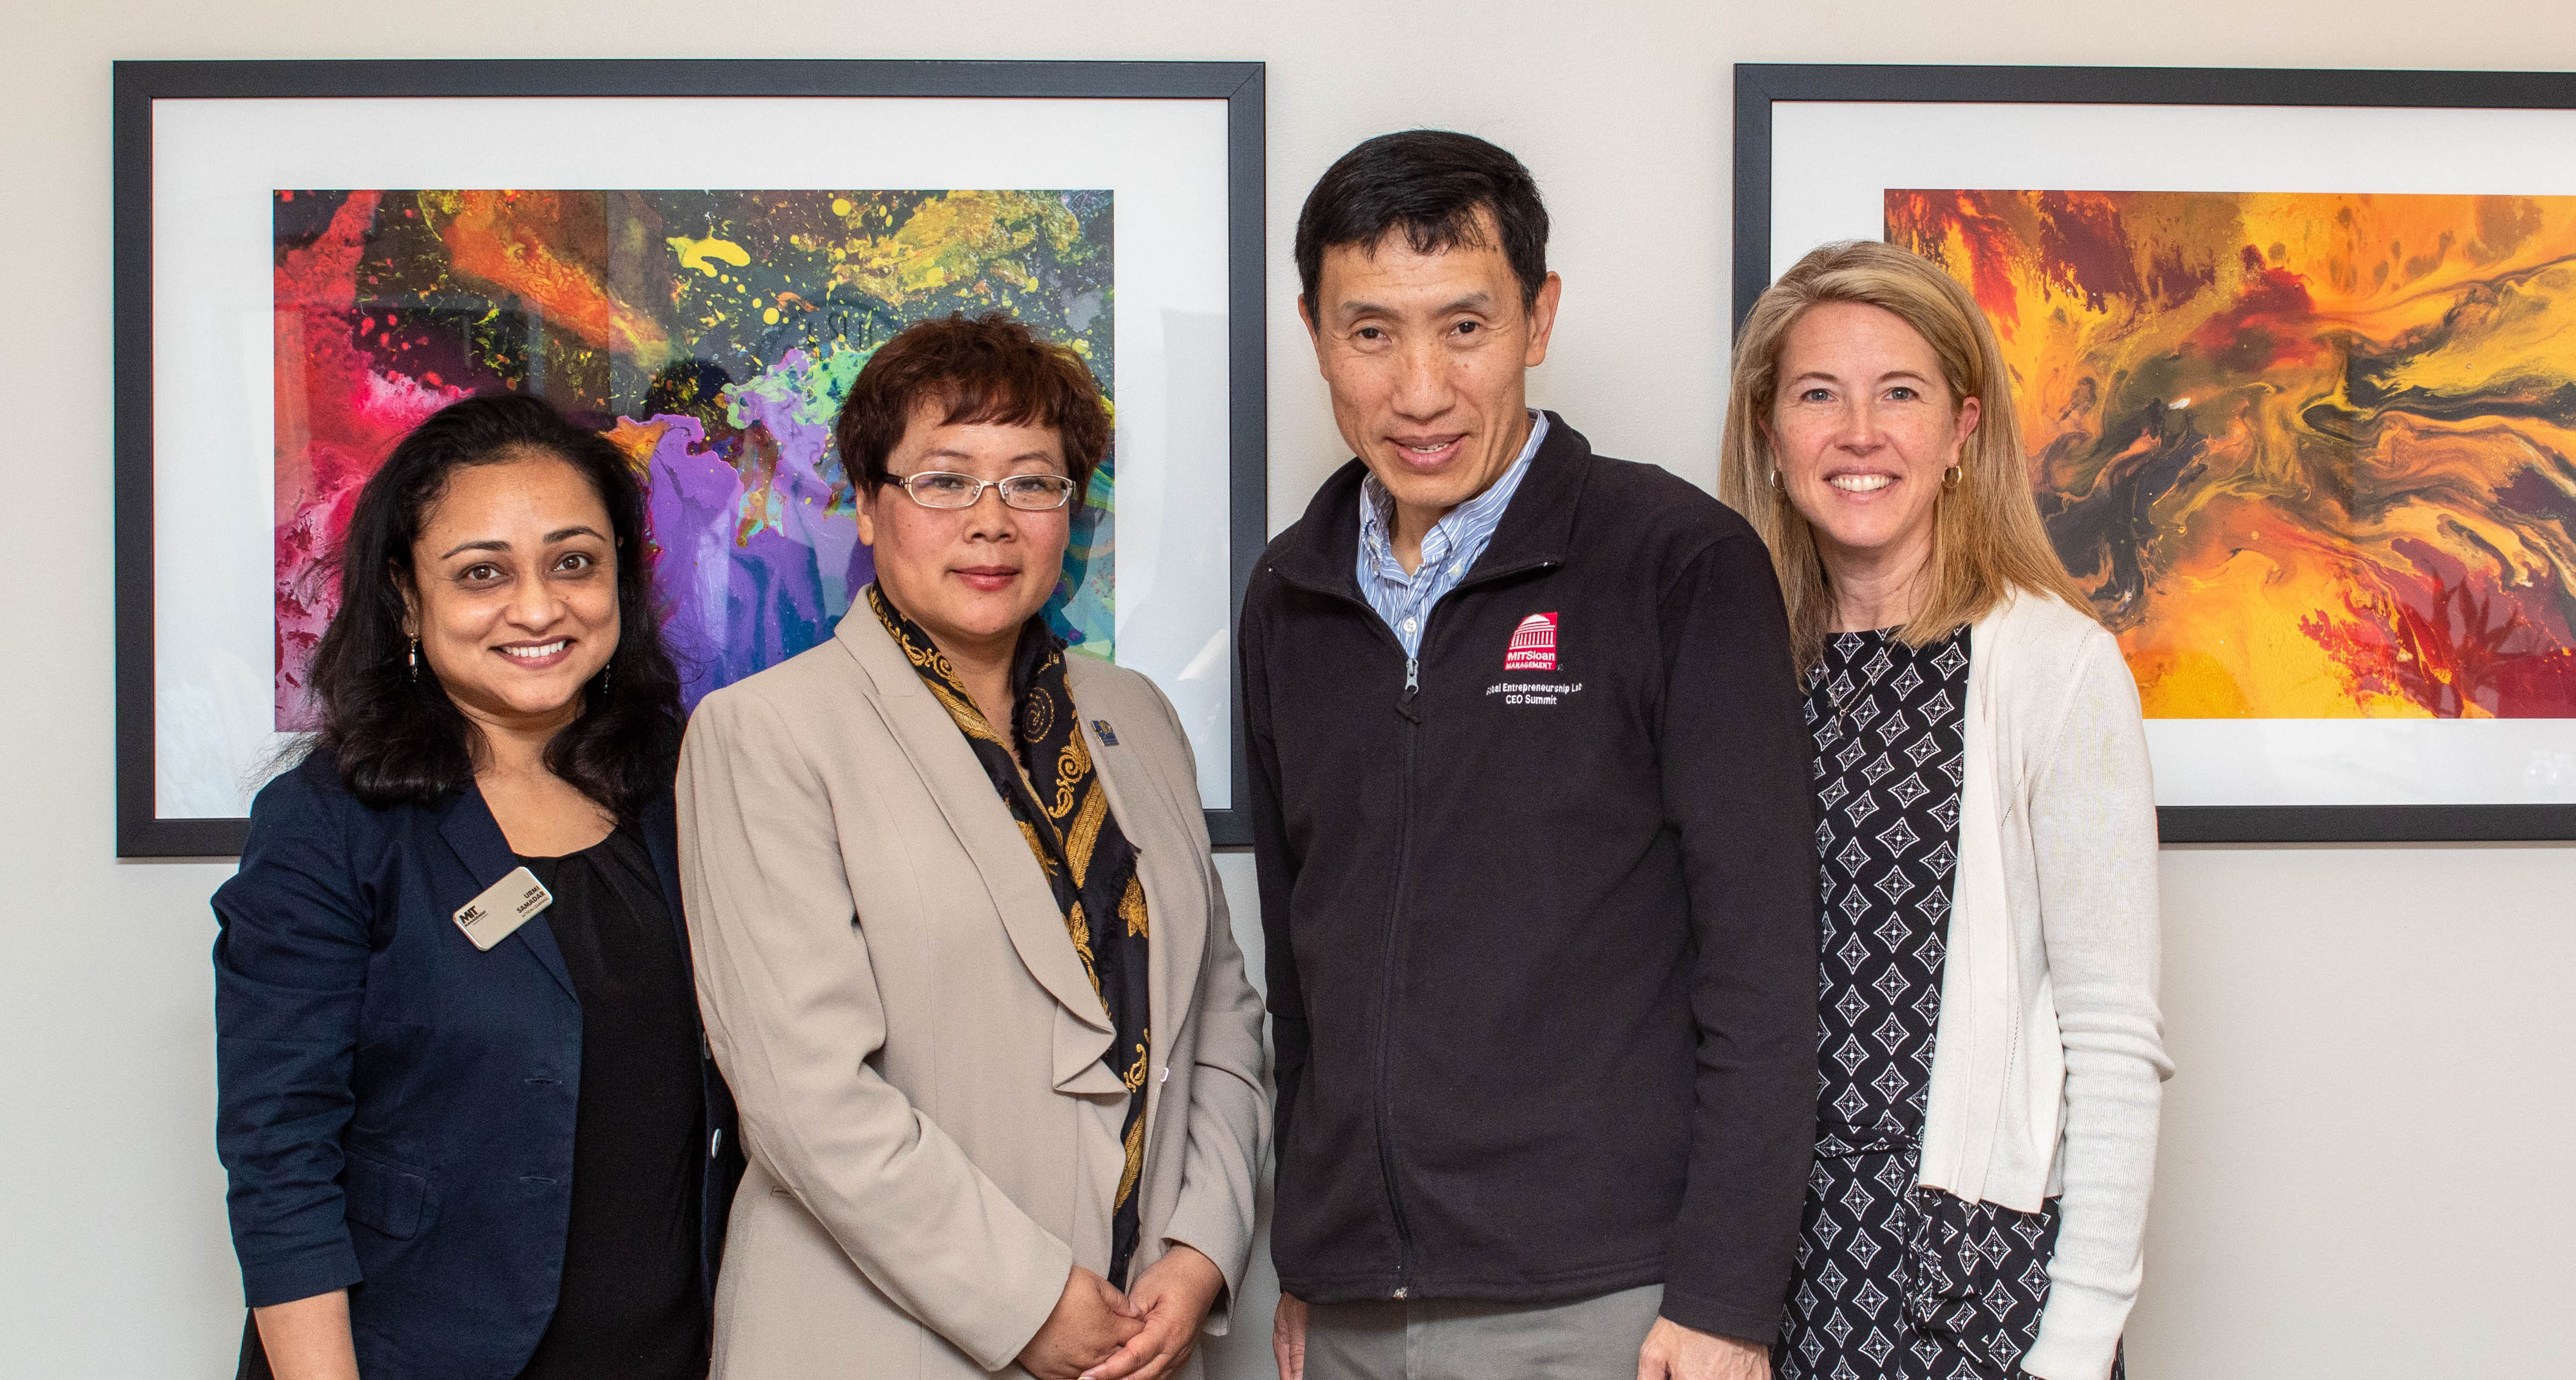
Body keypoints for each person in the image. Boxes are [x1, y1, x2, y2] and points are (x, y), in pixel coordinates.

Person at [1243, 130, 1819, 1380]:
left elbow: (1765, 968)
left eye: (1464, 325)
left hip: (1603, 1300)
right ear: (1312, 331)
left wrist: (1727, 1297)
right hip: (1348, 1301)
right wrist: (1309, 1245)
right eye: (1370, 331)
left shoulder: (1679, 563)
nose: (1419, 390)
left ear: (1539, 316)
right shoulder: (1288, 589)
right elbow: (1301, 958)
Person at [676, 311, 1268, 1380]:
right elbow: (805, 1096)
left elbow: (1220, 1010)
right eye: (945, 480)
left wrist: (1199, 1248)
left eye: (1032, 482)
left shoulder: (1136, 715)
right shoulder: (764, 733)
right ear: (865, 503)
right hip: (874, 1344)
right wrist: (1031, 1300)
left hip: (1141, 1338)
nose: (991, 522)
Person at [214, 392, 744, 1380]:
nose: (538, 607)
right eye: (482, 574)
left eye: (574, 562)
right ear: (407, 599)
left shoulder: (692, 787)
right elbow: (280, 1158)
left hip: (678, 1352)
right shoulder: (329, 825)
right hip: (415, 1356)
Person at [1718, 239, 2171, 1380]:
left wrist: (2075, 1344)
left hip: (1972, 1272)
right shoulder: (1730, 670)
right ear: (1771, 434)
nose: (1858, 431)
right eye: (1818, 394)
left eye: (1900, 392)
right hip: (1755, 1268)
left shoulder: (2053, 667)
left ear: (1963, 431)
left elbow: (2113, 1042)